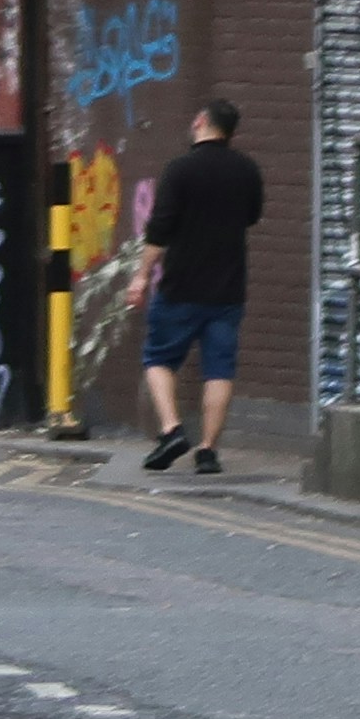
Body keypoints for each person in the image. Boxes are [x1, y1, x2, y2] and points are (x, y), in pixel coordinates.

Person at [135, 100, 263, 478]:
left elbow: (159, 230)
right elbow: (252, 216)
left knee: (157, 360)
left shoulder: (180, 170)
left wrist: (142, 275)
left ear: (202, 121)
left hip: (181, 286)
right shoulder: (247, 170)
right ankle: (208, 451)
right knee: (218, 370)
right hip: (227, 289)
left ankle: (172, 429)